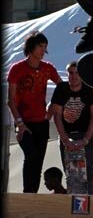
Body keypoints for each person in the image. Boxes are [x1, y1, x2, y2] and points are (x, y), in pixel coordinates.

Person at [7, 30, 62, 193]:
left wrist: (51, 107)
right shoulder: (16, 69)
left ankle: (32, 195)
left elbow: (62, 88)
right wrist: (19, 123)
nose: (43, 50)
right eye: (40, 46)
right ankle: (27, 193)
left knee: (37, 161)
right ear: (31, 47)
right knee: (30, 156)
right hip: (23, 122)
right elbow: (10, 100)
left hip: (41, 122)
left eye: (45, 46)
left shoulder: (48, 68)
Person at [51, 61, 93, 194]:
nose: (74, 76)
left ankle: (86, 209)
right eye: (71, 73)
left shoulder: (90, 89)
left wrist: (85, 140)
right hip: (66, 136)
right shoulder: (61, 88)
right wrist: (65, 140)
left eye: (77, 73)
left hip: (84, 135)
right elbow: (57, 115)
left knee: (86, 173)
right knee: (71, 174)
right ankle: (73, 209)